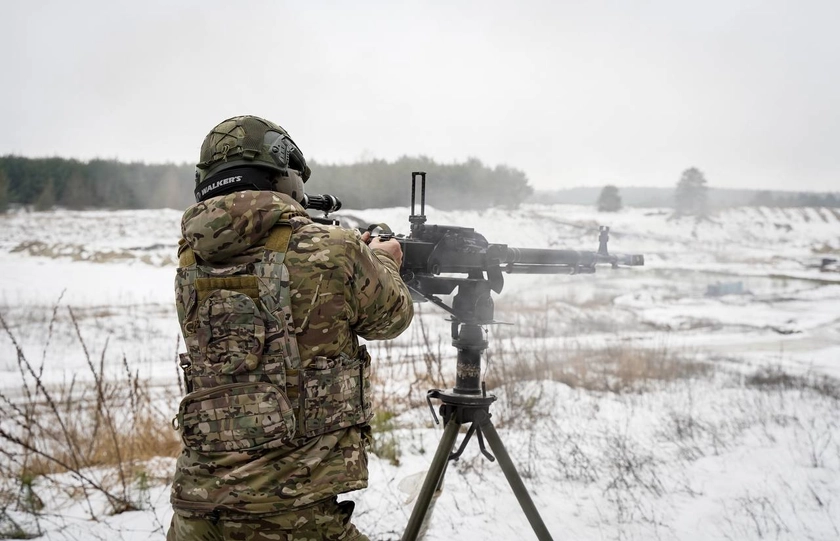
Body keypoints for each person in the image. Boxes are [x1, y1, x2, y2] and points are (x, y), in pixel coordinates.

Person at [167, 115, 414, 540]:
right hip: (291, 512)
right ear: (285, 176)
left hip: (197, 510)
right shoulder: (332, 249)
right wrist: (384, 259)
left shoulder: (191, 257)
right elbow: (391, 317)